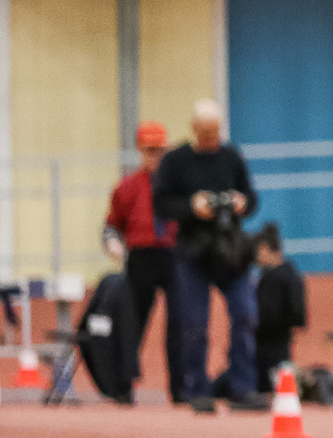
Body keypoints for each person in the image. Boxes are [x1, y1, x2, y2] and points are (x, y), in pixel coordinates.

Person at [152, 101, 263, 412]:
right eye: (206, 133)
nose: (212, 139)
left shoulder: (231, 157)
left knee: (245, 314)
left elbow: (252, 198)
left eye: (216, 133)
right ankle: (197, 389)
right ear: (194, 129)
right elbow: (160, 205)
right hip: (193, 252)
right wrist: (192, 206)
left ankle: (242, 387)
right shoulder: (175, 161)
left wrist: (241, 203)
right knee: (194, 323)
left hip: (231, 252)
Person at [103, 121, 177, 402]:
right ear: (140, 152)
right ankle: (124, 384)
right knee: (131, 322)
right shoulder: (128, 187)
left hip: (171, 255)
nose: (155, 157)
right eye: (149, 151)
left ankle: (181, 387)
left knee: (180, 323)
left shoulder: (176, 186)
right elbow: (112, 224)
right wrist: (112, 242)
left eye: (159, 151)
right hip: (141, 256)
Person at [252, 225, 307, 391]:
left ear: (264, 248)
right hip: (282, 350)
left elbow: (265, 317)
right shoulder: (292, 274)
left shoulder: (274, 279)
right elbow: (299, 317)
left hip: (266, 355)